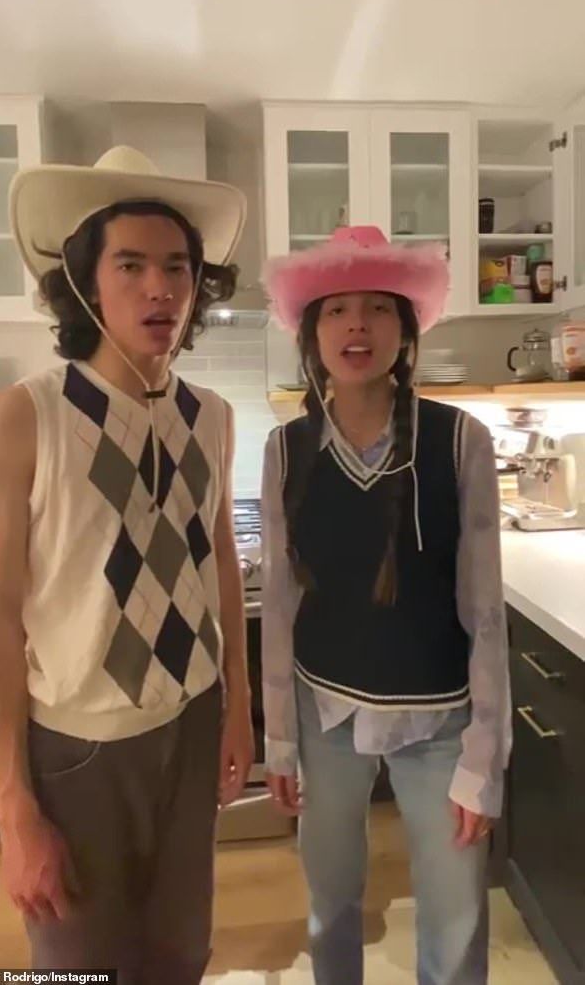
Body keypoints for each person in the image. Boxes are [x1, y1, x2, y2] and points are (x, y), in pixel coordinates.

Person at [0, 145, 254, 983]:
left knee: (178, 952)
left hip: (193, 723)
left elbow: (222, 564)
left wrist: (236, 706)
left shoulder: (212, 417)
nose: (160, 286)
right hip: (78, 745)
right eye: (130, 264)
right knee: (77, 962)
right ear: (87, 282)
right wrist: (14, 808)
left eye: (177, 267)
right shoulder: (22, 419)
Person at [260, 225, 512, 985]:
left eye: (377, 307)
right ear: (311, 332)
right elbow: (277, 602)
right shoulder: (285, 450)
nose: (356, 326)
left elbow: (485, 609)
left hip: (441, 721)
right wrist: (280, 740)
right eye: (336, 309)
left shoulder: (458, 440)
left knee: (456, 913)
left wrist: (484, 762)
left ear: (405, 331)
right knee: (330, 902)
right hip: (323, 713)